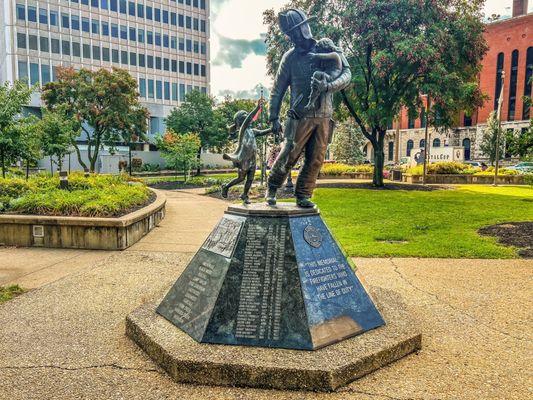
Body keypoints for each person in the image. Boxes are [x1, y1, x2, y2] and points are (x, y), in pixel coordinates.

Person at [266, 9, 352, 208]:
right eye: (291, 33)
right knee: (288, 155)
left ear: (305, 27)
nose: (294, 36)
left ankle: (303, 194)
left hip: (323, 116)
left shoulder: (327, 48)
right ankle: (272, 188)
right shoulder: (290, 58)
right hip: (298, 116)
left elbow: (346, 74)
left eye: (296, 31)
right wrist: (273, 117)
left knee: (316, 158)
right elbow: (277, 89)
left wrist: (329, 86)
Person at [221, 99, 272, 204]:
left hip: (252, 159)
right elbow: (248, 118)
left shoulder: (252, 131)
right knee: (241, 178)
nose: (247, 115)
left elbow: (263, 132)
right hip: (244, 159)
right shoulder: (242, 130)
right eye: (244, 115)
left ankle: (244, 195)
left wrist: (273, 128)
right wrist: (257, 108)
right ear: (239, 121)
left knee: (250, 179)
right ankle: (226, 187)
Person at [304, 38, 343, 113]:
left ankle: (311, 101)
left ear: (326, 47)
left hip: (332, 77)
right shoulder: (326, 60)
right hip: (328, 75)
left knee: (317, 75)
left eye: (321, 50)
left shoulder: (335, 54)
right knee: (316, 80)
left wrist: (315, 56)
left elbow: (325, 56)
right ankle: (311, 101)